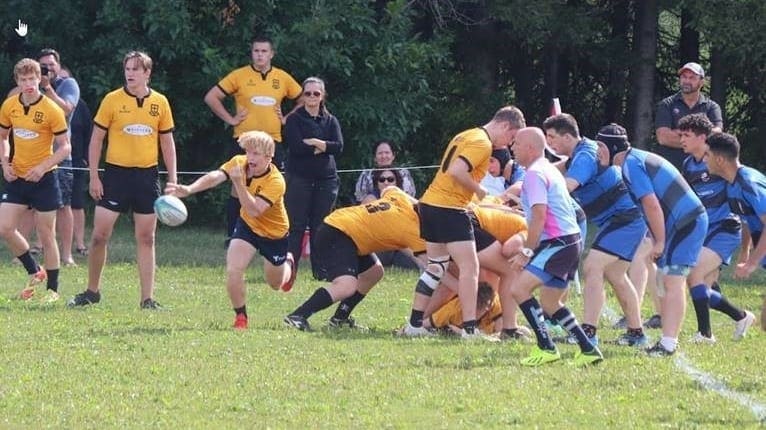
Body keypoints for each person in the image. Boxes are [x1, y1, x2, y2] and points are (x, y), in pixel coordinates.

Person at [402, 105, 526, 338]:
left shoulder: (467, 134)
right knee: (471, 268)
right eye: (511, 137)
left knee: (436, 267)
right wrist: (478, 190)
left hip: (429, 204)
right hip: (450, 207)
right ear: (504, 125)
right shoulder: (483, 142)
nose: (508, 144)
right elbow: (457, 171)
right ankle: (470, 329)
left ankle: (414, 325)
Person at [67, 51, 177, 309]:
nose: (130, 73)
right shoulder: (112, 100)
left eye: (136, 69)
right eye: (127, 68)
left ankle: (147, 299)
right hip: (115, 175)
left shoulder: (160, 102)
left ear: (147, 73)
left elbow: (167, 143)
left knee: (147, 237)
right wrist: (94, 177)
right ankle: (92, 292)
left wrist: (172, 180)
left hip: (147, 177)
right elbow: (96, 140)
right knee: (99, 236)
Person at [166, 131, 295, 329]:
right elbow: (216, 176)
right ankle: (241, 317)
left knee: (275, 284)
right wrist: (189, 189)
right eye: (248, 152)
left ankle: (288, 263)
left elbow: (254, 210)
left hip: (273, 233)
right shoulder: (239, 163)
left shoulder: (276, 181)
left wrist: (238, 183)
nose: (250, 158)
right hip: (248, 226)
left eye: (256, 154)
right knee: (234, 270)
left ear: (269, 157)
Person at [601, 123, 707, 357]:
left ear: (611, 147)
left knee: (673, 281)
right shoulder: (632, 161)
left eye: (600, 146)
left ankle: (668, 344)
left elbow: (651, 204)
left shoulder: (630, 164)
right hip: (681, 222)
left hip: (686, 222)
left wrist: (659, 241)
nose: (597, 152)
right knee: (668, 280)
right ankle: (666, 340)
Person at [542, 113, 648, 347]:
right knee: (616, 275)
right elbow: (548, 173)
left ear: (568, 136)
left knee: (592, 266)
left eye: (551, 137)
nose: (549, 143)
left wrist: (537, 202)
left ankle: (588, 332)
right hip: (620, 220)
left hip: (626, 218)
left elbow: (567, 186)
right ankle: (636, 333)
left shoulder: (586, 155)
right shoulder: (577, 155)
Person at [506, 127, 602, 367]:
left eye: (516, 143)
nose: (512, 147)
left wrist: (526, 252)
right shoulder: (547, 168)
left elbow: (539, 216)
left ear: (530, 148)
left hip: (558, 242)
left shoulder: (534, 174)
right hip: (570, 241)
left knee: (518, 289)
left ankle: (546, 347)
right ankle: (588, 349)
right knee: (550, 304)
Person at [284, 185, 425, 331]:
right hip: (339, 232)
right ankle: (297, 316)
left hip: (343, 226)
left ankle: (340, 318)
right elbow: (435, 268)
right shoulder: (413, 230)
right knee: (346, 286)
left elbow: (389, 188)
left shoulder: (402, 199)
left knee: (374, 272)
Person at [204, 36, 302, 244]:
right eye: (256, 51)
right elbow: (211, 97)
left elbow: (304, 98)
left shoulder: (283, 78)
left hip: (272, 141)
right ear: (252, 53)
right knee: (237, 186)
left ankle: (270, 232)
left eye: (264, 51)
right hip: (244, 142)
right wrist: (230, 119)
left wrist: (287, 117)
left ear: (271, 54)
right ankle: (233, 235)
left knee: (274, 187)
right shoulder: (239, 75)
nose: (260, 55)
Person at [677, 114, 755, 342]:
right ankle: (741, 316)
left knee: (694, 275)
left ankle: (705, 334)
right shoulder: (688, 164)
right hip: (702, 230)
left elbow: (741, 195)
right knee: (703, 288)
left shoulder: (719, 162)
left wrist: (746, 250)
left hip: (725, 229)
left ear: (703, 138)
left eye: (686, 135)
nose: (681, 139)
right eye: (680, 134)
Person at [0, 58, 71, 303]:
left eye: (33, 78)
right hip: (17, 176)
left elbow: (65, 148)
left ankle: (53, 289)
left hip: (44, 179)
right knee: (5, 227)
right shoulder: (10, 106)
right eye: (24, 79)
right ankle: (34, 271)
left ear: (40, 78)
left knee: (46, 233)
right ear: (17, 82)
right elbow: (3, 137)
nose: (29, 84)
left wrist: (42, 168)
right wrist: (5, 162)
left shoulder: (52, 109)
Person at [284, 77, 343, 269]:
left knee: (321, 226)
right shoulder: (294, 119)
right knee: (296, 225)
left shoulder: (331, 120)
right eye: (307, 93)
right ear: (302, 95)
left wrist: (316, 143)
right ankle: (289, 269)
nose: (311, 97)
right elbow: (296, 146)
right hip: (298, 179)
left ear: (322, 96)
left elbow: (339, 146)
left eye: (316, 93)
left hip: (326, 180)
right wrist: (325, 147)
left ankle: (322, 270)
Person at [38, 49, 80, 266]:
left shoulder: (68, 84)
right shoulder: (30, 85)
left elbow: (65, 109)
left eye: (51, 65)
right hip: (35, 155)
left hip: (60, 155)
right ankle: (31, 250)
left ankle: (66, 254)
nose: (48, 69)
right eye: (42, 66)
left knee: (64, 206)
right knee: (30, 205)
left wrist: (46, 88)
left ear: (58, 65)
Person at [704, 132, 766, 279]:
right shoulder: (732, 186)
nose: (704, 160)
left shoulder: (748, 183)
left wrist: (752, 263)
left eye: (707, 155)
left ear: (719, 159)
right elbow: (746, 219)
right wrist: (745, 251)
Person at [655, 62, 723, 170]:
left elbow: (716, 135)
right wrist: (699, 138)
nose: (686, 81)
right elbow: (663, 138)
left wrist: (678, 133)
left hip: (703, 171)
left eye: (692, 78)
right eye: (684, 77)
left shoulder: (711, 107)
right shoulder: (667, 104)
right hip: (671, 170)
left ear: (701, 82)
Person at [361, 168, 423, 270]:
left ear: (396, 182)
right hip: (378, 247)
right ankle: (421, 263)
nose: (386, 182)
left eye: (390, 179)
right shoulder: (370, 199)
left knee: (411, 262)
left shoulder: (402, 198)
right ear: (377, 183)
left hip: (399, 248)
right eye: (382, 179)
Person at [423, 282, 502, 335]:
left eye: (479, 309)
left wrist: (461, 332)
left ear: (488, 307)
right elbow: (425, 324)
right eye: (474, 307)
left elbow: (500, 333)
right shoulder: (453, 309)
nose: (473, 314)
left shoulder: (495, 305)